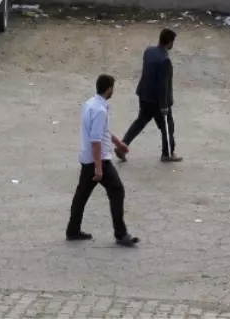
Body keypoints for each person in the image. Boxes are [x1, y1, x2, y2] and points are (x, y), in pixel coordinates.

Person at [66, 74, 140, 247]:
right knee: (117, 191)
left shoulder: (90, 104)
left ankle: (73, 230)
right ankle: (121, 234)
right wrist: (99, 169)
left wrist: (119, 143)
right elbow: (96, 140)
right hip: (98, 161)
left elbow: (103, 131)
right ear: (108, 89)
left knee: (81, 196)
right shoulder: (100, 111)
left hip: (86, 159)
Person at [121, 28, 181, 162]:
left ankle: (122, 147)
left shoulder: (149, 51)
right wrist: (164, 105)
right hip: (157, 101)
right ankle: (167, 154)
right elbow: (163, 85)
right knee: (167, 126)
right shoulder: (165, 60)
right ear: (170, 42)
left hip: (144, 95)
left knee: (140, 122)